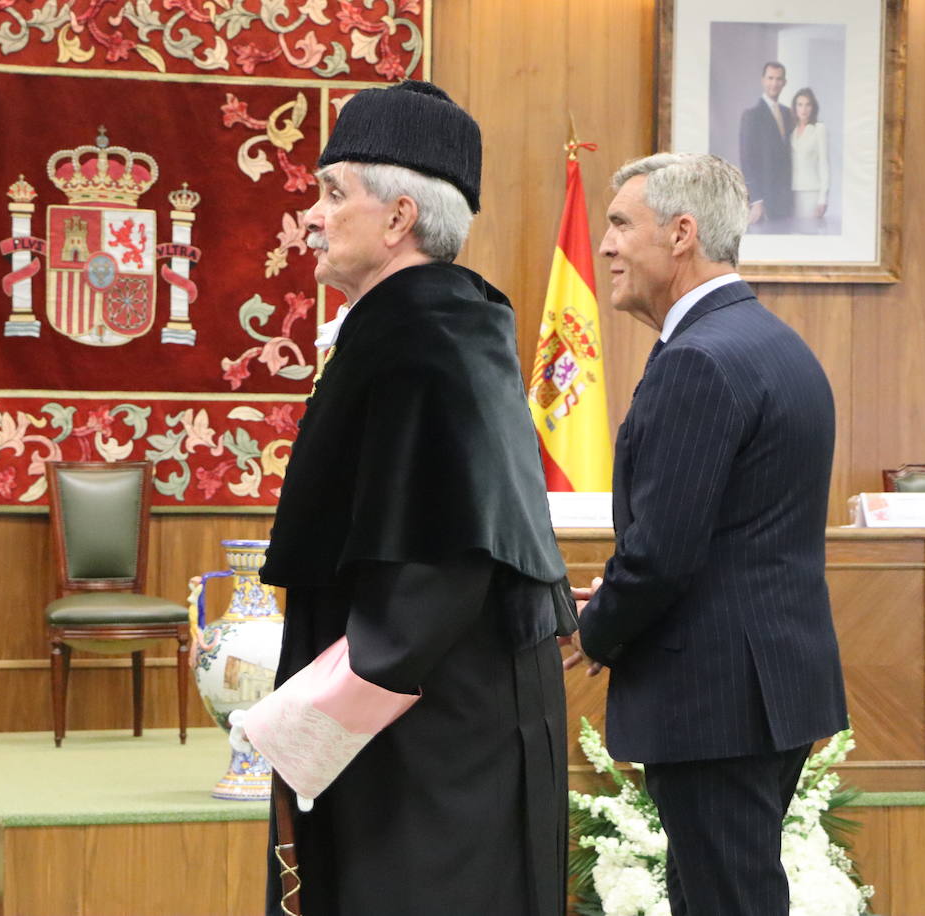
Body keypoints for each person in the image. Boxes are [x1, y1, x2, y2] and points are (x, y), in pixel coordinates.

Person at [255, 80, 575, 916]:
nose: (310, 216)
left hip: (429, 756)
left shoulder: (419, 341)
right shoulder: (431, 325)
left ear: (399, 217)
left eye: (332, 193)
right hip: (426, 736)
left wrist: (297, 729)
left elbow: (429, 581)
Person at [565, 152, 848, 916]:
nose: (607, 245)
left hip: (716, 699)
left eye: (623, 223)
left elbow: (661, 555)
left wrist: (597, 629)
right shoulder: (771, 343)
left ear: (682, 233)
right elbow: (732, 534)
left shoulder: (699, 358)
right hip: (759, 688)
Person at [738, 61, 793, 230]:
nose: (774, 83)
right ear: (763, 80)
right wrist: (757, 200)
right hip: (763, 202)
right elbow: (746, 159)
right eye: (770, 78)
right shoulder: (751, 115)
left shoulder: (788, 113)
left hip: (786, 200)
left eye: (778, 79)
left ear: (784, 82)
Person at [789, 88, 829, 227]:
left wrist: (822, 199)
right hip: (791, 192)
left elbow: (824, 164)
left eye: (808, 104)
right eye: (800, 104)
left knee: (809, 231)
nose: (803, 109)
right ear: (795, 107)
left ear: (813, 107)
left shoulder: (819, 129)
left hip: (811, 191)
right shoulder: (791, 131)